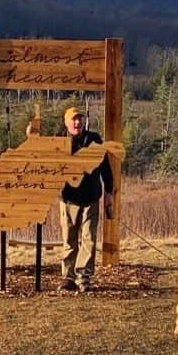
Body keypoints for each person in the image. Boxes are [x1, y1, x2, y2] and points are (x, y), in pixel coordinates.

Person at [56, 106, 114, 292]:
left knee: (88, 239)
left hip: (91, 198)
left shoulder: (94, 139)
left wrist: (109, 192)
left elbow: (105, 167)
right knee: (69, 240)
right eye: (73, 119)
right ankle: (68, 277)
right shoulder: (59, 140)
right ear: (66, 122)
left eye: (80, 119)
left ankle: (84, 278)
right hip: (68, 199)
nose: (77, 122)